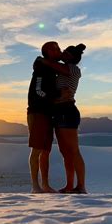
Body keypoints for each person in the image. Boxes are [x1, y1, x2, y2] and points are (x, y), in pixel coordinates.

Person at [38, 44, 87, 194]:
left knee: (73, 150)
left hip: (67, 110)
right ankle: (69, 185)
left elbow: (56, 66)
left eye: (65, 52)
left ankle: (81, 186)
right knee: (65, 152)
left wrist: (42, 60)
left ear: (72, 57)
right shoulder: (61, 69)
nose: (63, 54)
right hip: (59, 112)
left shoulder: (73, 69)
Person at [27, 41, 62, 193]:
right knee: (37, 150)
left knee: (46, 150)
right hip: (38, 112)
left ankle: (45, 185)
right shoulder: (41, 68)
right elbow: (38, 90)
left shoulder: (50, 67)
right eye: (57, 48)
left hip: (48, 113)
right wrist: (56, 97)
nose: (59, 51)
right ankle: (35, 186)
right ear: (48, 51)